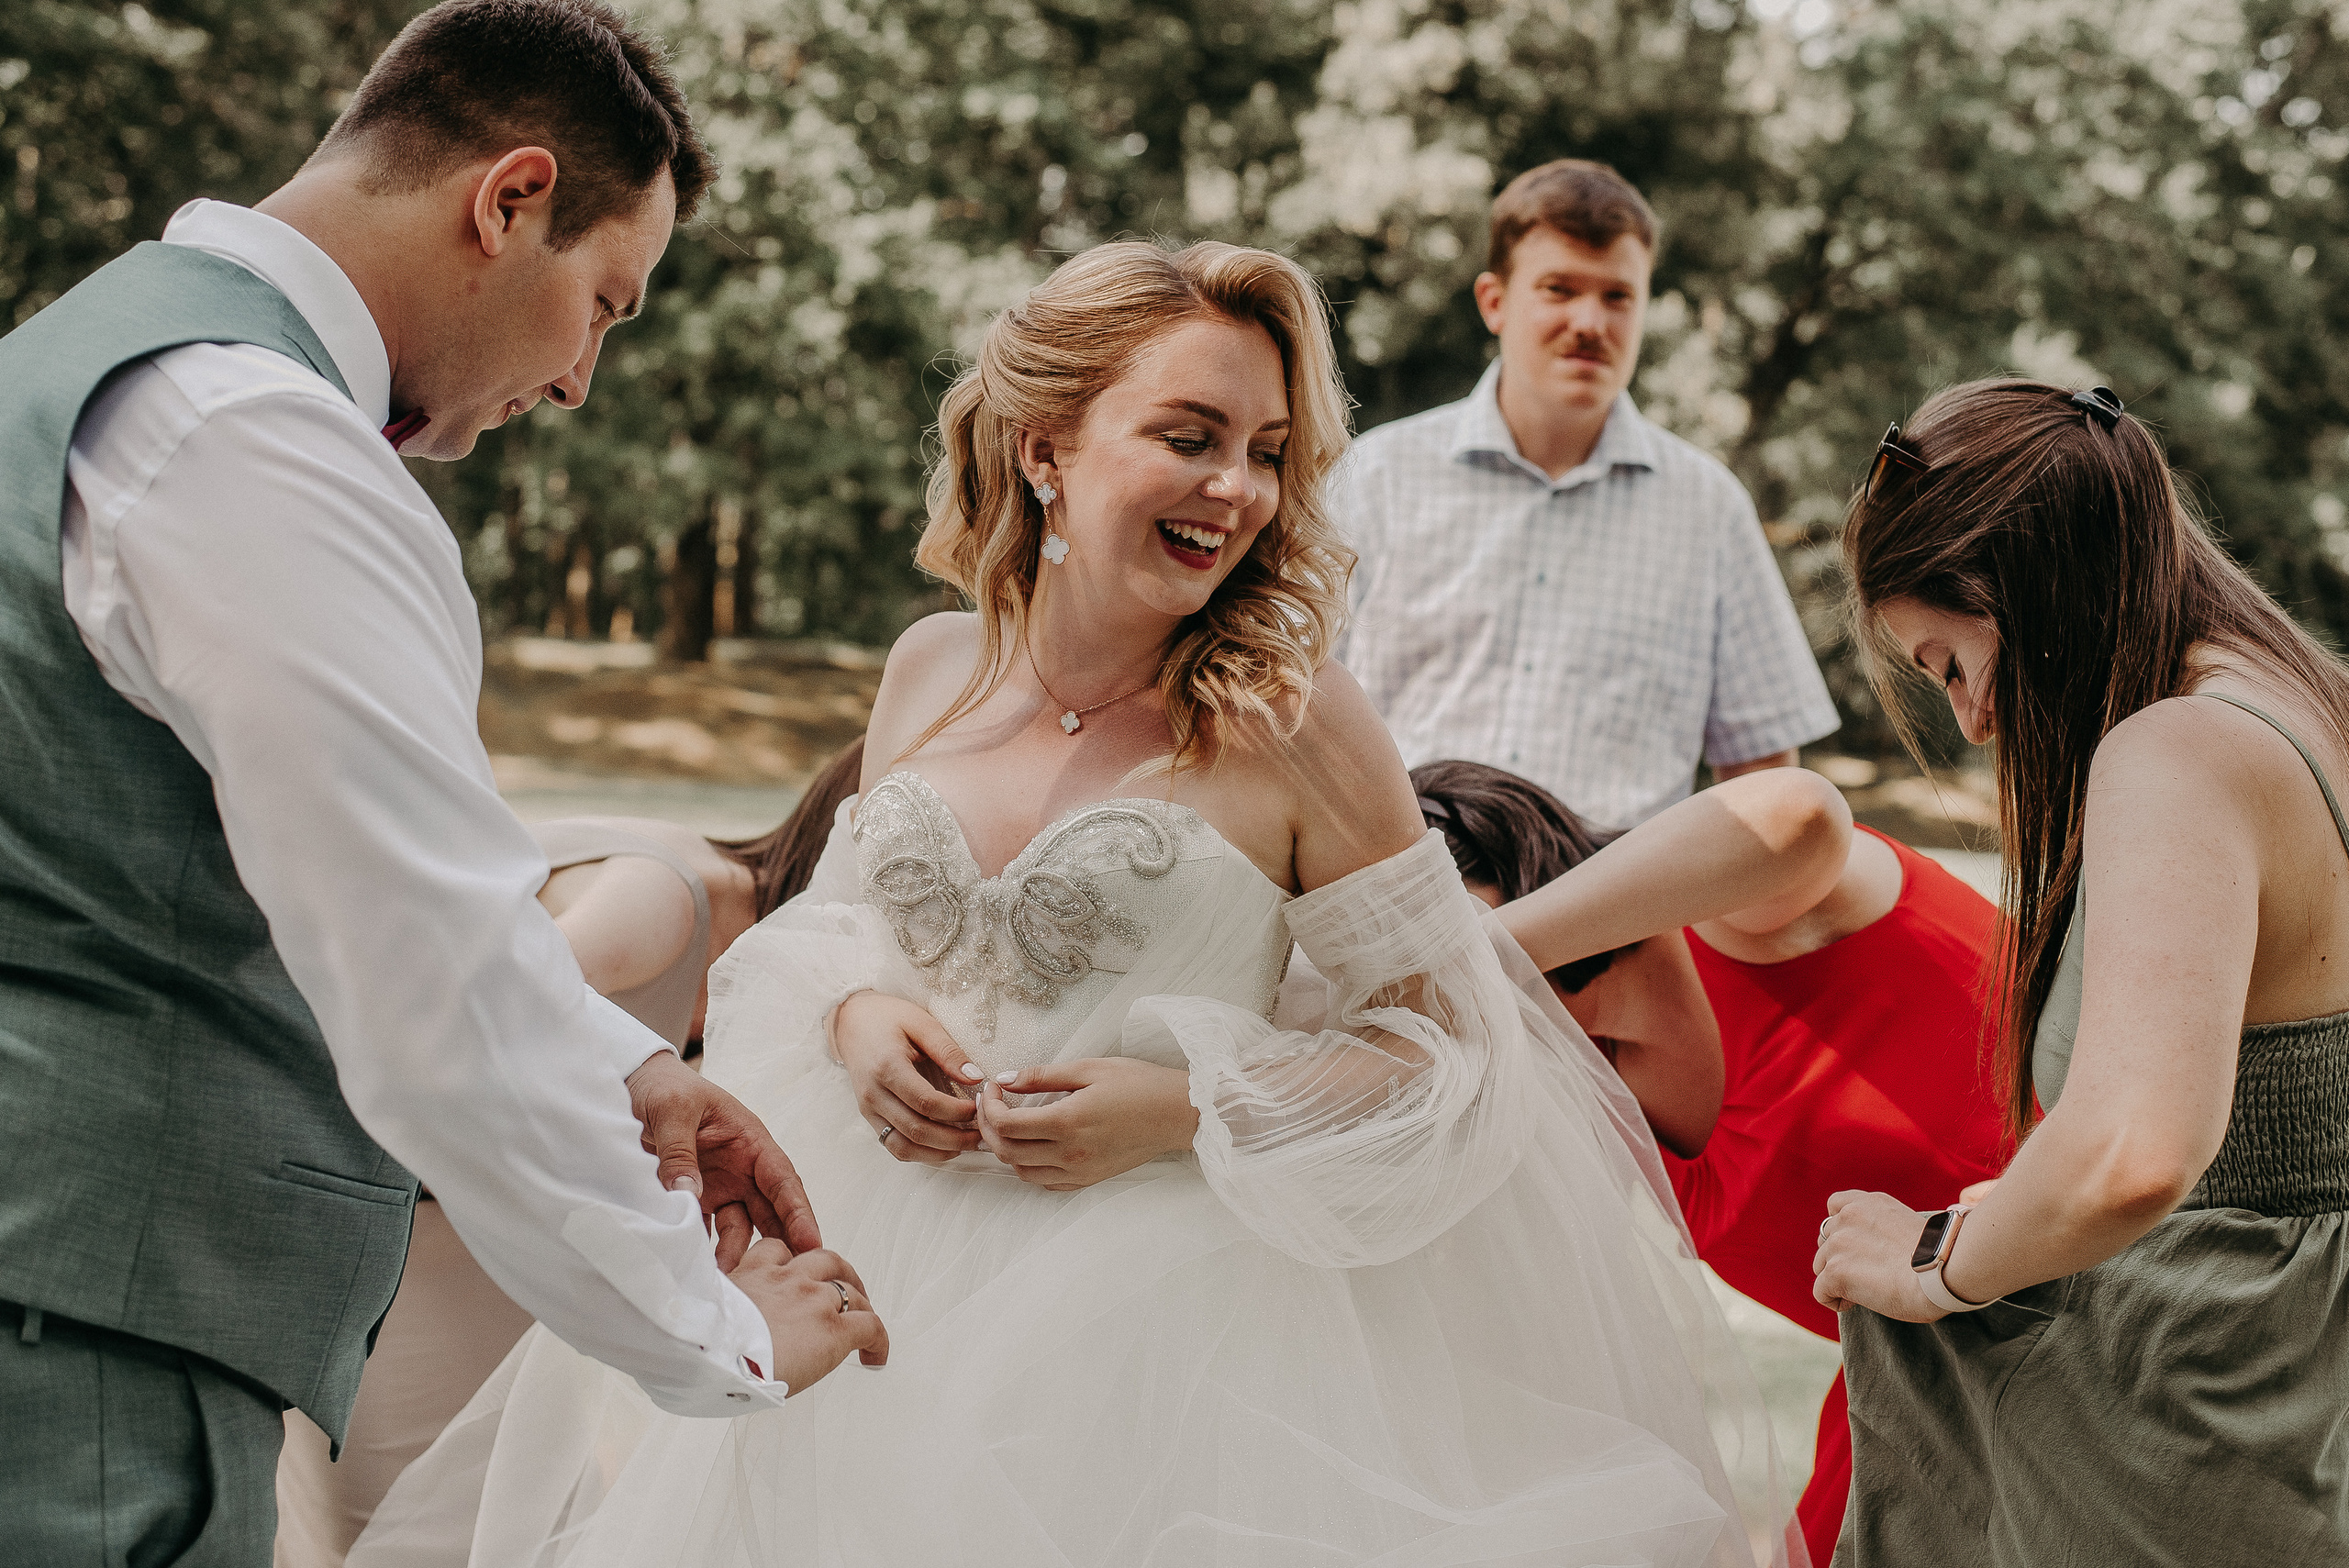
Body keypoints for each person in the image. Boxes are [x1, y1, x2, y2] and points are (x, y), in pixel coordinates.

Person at [351, 239, 1803, 1568]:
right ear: (1047, 446)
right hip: (868, 1283)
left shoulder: (1299, 723)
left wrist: (1187, 1110)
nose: (1234, 488)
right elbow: (829, 931)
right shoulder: (933, 668)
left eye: (1265, 452)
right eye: (1189, 438)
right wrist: (856, 1017)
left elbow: (1452, 1058)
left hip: (1170, 1344)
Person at [0, 5, 882, 1562]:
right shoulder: (256, 438)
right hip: (73, 1356)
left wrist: (619, 1066)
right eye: (604, 304)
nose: (579, 382)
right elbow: (430, 979)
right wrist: (718, 1332)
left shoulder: (78, 372)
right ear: (510, 198)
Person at [1816, 380, 2349, 1565]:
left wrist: (1933, 1266)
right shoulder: (2306, 704)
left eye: (1951, 663)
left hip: (2188, 1406)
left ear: (2022, 588)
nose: (1971, 723)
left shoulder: (2179, 750)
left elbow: (2132, 1154)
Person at [274, 740, 869, 1566]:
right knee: (410, 1533)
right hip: (419, 1242)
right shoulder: (672, 902)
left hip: (478, 1248)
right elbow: (485, 1015)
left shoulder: (715, 909)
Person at [1412, 759, 2008, 1563]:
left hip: (2112, 1294)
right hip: (1928, 1399)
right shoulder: (1576, 1106)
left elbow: (1801, 812)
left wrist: (1479, 956)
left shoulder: (1736, 916)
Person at [1336, 160, 1839, 831]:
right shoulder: (1374, 478)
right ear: (1494, 301)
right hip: (1403, 902)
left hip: (1611, 923)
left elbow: (1763, 781)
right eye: (1559, 288)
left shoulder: (1709, 508)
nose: (1589, 321)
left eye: (1617, 296)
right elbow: (1287, 712)